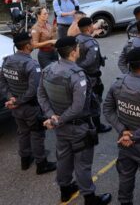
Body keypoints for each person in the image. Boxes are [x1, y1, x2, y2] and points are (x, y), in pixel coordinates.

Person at [37, 37, 112, 204]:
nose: (79, 49)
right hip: (77, 127)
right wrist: (57, 120)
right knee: (83, 164)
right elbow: (78, 107)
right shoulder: (77, 75)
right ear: (73, 52)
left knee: (63, 159)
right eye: (77, 48)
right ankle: (90, 199)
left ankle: (65, 190)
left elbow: (41, 95)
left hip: (60, 127)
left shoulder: (48, 70)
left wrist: (52, 116)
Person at [103, 47, 140, 205]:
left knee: (125, 177)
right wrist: (132, 135)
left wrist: (123, 132)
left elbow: (107, 110)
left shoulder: (118, 84)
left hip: (124, 143)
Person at [0, 32, 56, 175]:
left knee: (23, 132)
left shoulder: (6, 61)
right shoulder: (31, 64)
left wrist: (11, 98)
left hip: (16, 107)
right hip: (30, 107)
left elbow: (3, 82)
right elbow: (34, 90)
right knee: (37, 134)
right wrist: (17, 101)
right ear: (26, 46)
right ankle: (41, 164)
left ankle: (25, 160)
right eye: (31, 42)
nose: (33, 43)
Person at [76, 17, 112, 133]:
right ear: (88, 28)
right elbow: (90, 61)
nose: (93, 27)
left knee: (84, 100)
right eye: (92, 25)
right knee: (95, 101)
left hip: (80, 75)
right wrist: (81, 67)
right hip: (91, 76)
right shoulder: (91, 43)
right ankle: (97, 126)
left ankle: (88, 124)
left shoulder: (77, 38)